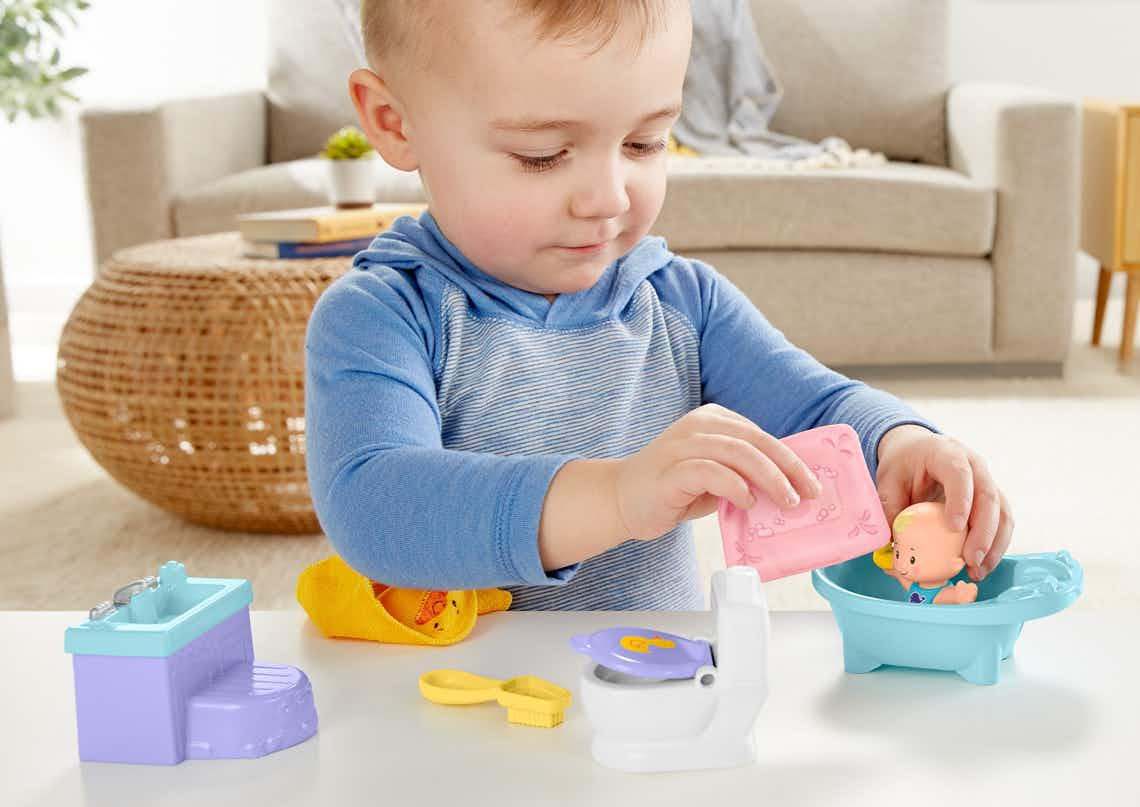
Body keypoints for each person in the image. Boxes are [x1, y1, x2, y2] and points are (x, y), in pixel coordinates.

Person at [304, 0, 1013, 610]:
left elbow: (817, 409)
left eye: (645, 142)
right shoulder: (382, 315)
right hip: (454, 708)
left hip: (658, 692)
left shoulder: (681, 302)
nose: (610, 197)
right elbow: (375, 504)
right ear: (396, 123)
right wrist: (617, 497)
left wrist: (901, 443)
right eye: (544, 154)